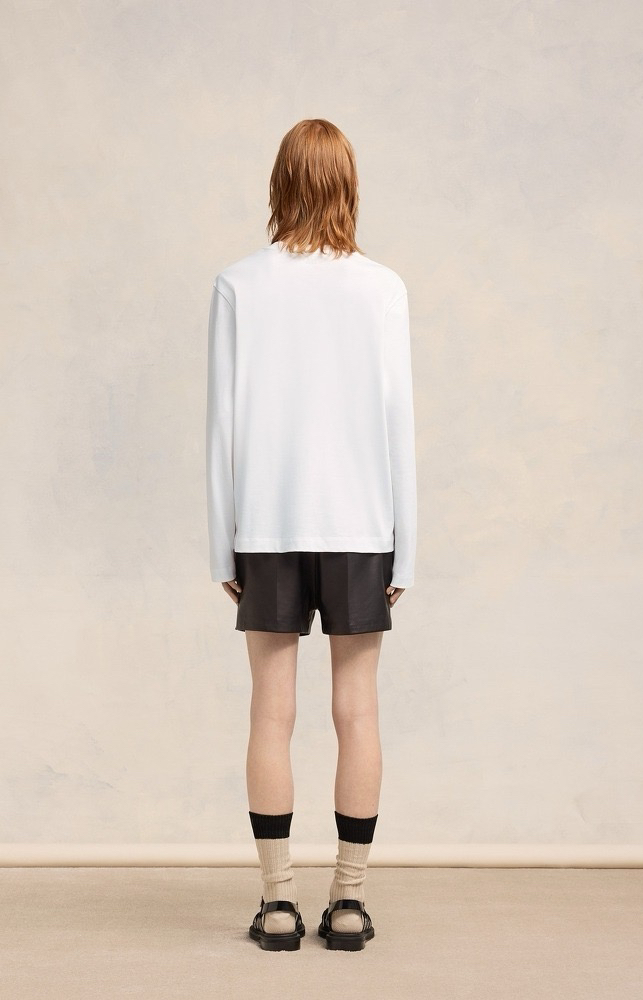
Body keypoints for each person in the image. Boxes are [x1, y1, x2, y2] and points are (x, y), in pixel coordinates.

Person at [205, 119, 417, 952]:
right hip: (362, 524)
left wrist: (219, 544)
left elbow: (220, 426)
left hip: (266, 522)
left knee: (271, 711)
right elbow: (399, 424)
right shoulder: (382, 287)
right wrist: (408, 546)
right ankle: (350, 901)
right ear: (347, 185)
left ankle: (278, 902)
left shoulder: (238, 284)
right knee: (357, 711)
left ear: (280, 183)